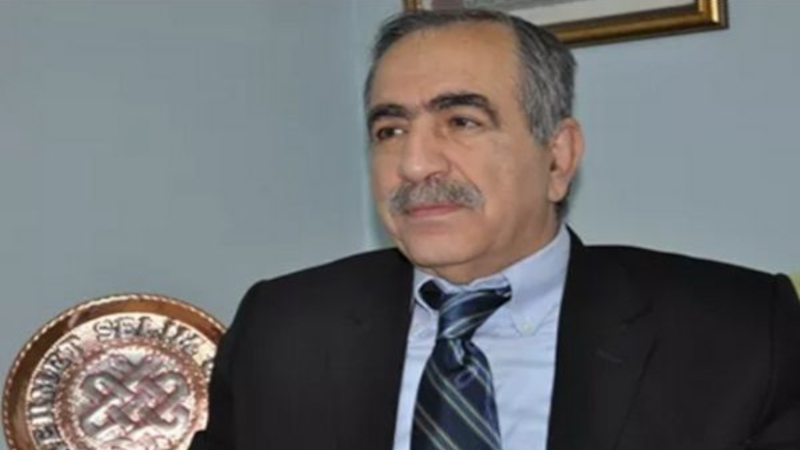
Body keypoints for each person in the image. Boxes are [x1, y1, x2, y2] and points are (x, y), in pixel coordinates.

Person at [188, 9, 800, 450]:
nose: (415, 164)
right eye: (390, 130)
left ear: (557, 157)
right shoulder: (283, 327)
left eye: (462, 121)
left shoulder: (740, 330)